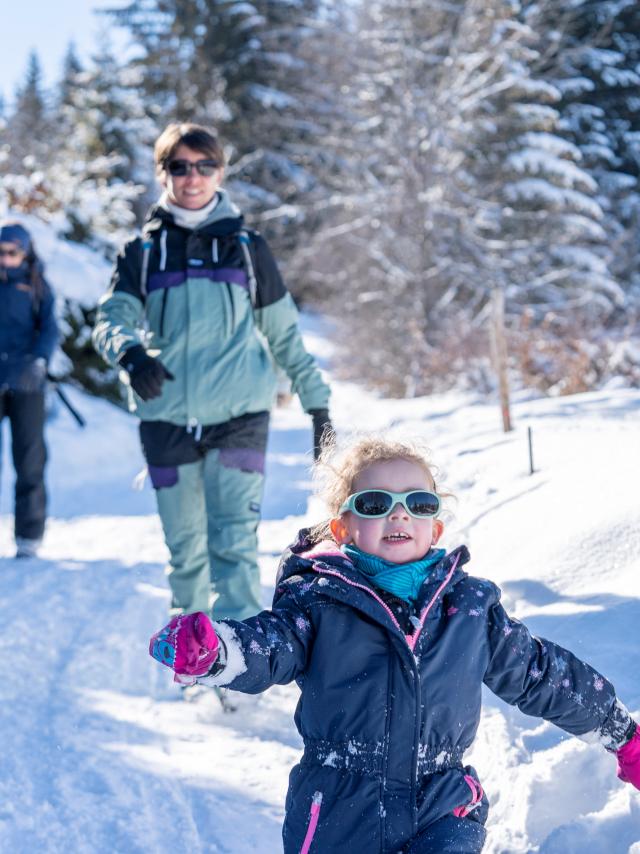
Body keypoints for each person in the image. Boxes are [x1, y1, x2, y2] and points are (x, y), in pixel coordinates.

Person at [149, 435, 640, 853]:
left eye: (418, 504)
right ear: (343, 528)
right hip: (339, 809)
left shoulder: (468, 610)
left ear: (436, 527)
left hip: (442, 804)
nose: (398, 514)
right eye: (375, 503)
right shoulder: (318, 604)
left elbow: (542, 674)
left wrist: (623, 734)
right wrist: (216, 651)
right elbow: (270, 645)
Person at [93, 123, 331, 622]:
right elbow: (111, 319)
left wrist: (318, 403)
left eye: (203, 166)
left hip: (239, 415)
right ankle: (193, 660)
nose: (192, 177)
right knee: (185, 553)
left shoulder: (247, 248)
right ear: (163, 173)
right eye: (179, 166)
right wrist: (131, 356)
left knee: (235, 548)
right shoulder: (142, 252)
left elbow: (283, 334)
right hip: (166, 419)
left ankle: (238, 671)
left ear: (220, 171)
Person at [0, 221, 58, 559]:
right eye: (1, 253)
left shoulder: (37, 286)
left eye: (12, 252)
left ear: (25, 252)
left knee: (29, 458)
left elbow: (49, 328)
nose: (5, 259)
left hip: (27, 383)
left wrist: (39, 361)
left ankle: (29, 534)